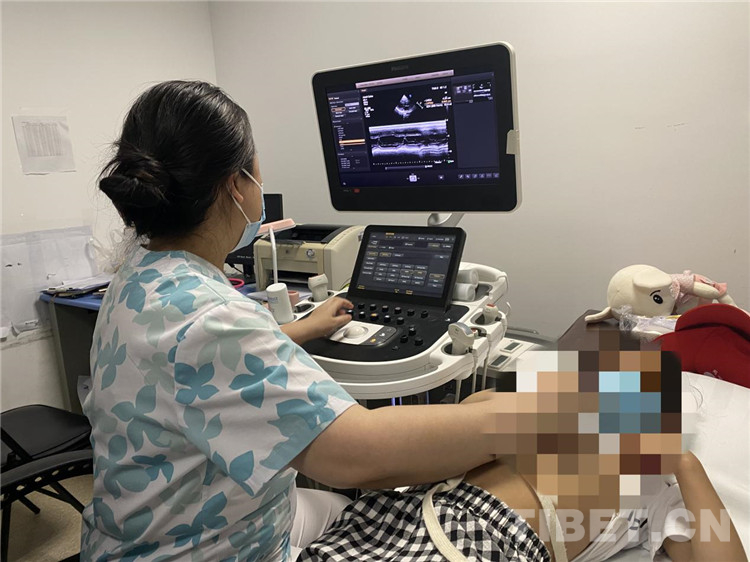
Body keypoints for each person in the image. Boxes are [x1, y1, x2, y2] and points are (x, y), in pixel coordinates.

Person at [83, 80, 747, 562]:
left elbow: (197, 370)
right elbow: (359, 455)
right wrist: (551, 412)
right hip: (215, 545)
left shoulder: (140, 281)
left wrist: (296, 333)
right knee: (474, 435)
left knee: (447, 457)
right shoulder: (210, 316)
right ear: (238, 183)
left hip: (179, 531)